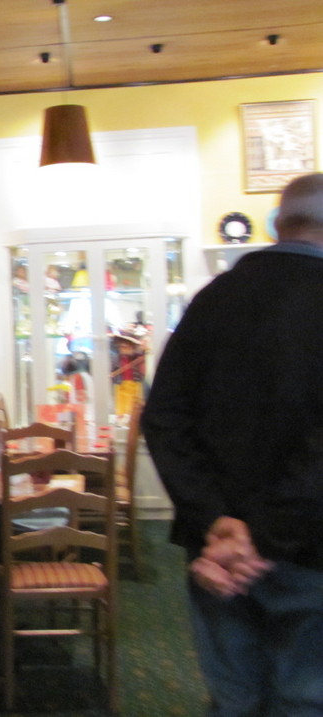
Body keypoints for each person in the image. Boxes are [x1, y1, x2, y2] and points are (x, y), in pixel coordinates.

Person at [142, 172, 323, 716]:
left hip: (217, 553)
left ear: (277, 223)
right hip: (309, 544)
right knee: (305, 699)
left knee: (233, 698)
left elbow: (164, 417)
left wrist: (217, 523)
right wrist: (263, 533)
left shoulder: (213, 298)